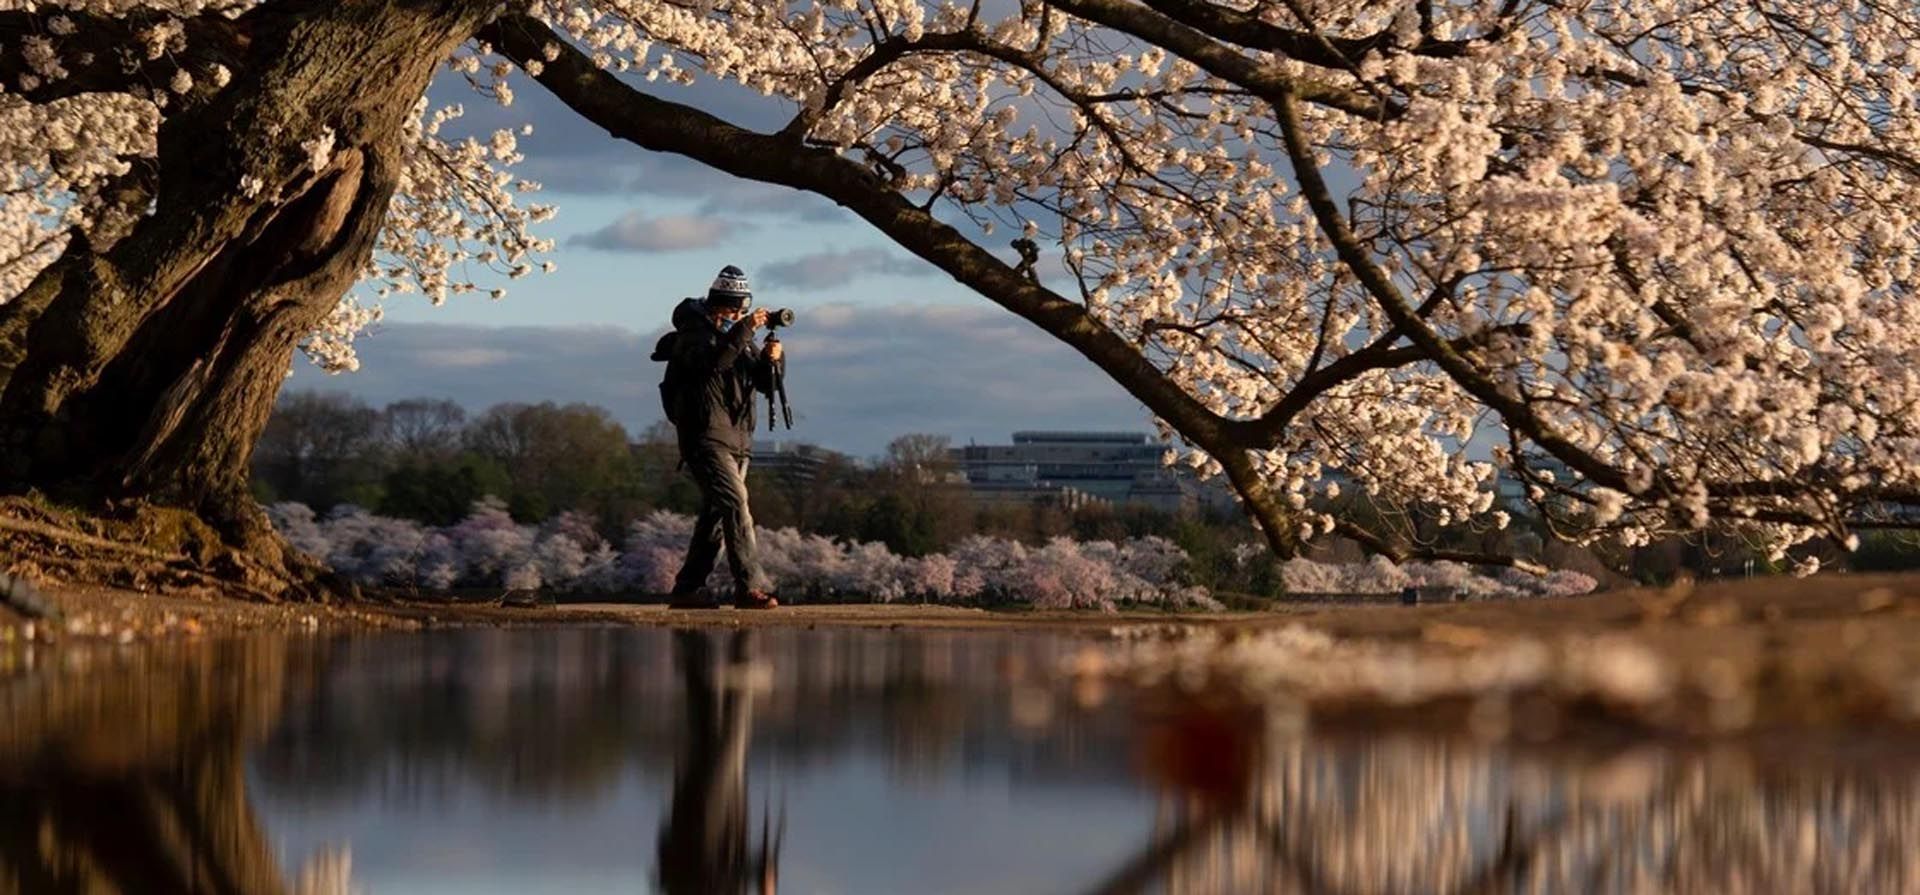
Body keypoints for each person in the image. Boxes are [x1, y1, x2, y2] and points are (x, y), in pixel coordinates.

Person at [666, 265, 782, 610]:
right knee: (734, 503)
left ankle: (687, 589)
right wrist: (746, 330)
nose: (738, 316)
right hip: (705, 437)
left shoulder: (738, 340)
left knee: (717, 514)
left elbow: (763, 386)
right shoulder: (694, 334)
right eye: (733, 309)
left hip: (739, 438)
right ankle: (750, 587)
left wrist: (773, 362)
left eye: (743, 311)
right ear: (716, 305)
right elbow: (713, 364)